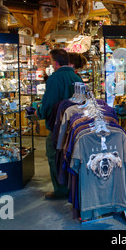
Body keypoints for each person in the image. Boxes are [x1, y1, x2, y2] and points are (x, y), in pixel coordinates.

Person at [36, 49, 82, 199]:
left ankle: (60, 190)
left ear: (55, 62)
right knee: (70, 156)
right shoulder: (76, 77)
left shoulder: (54, 78)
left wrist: (40, 113)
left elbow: (48, 103)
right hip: (75, 126)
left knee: (54, 156)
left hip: (57, 127)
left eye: (50, 61)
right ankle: (72, 187)